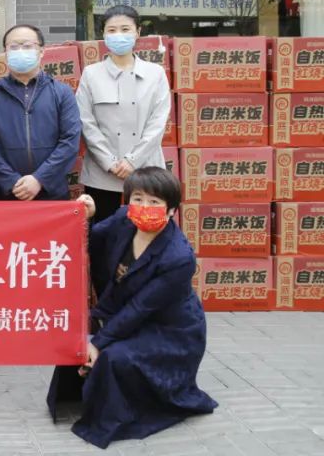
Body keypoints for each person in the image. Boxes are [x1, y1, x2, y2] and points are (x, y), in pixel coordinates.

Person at [48, 167, 217, 449]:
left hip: (168, 329)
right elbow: (95, 237)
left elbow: (140, 309)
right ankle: (76, 396)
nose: (144, 207)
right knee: (74, 331)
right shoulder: (123, 219)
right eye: (138, 198)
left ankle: (115, 415)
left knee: (114, 356)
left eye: (154, 202)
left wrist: (98, 343)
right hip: (122, 309)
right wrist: (87, 215)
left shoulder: (178, 257)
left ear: (171, 210)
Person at [77, 6, 171, 222]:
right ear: (103, 34)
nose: (118, 35)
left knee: (146, 229)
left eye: (125, 29)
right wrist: (109, 162)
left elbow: (158, 123)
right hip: (102, 173)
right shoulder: (91, 74)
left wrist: (133, 161)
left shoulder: (155, 74)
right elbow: (86, 122)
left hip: (146, 170)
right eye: (112, 30)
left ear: (138, 32)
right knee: (101, 231)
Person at [0, 24, 81, 201]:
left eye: (27, 46)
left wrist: (39, 179)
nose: (20, 51)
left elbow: (70, 141)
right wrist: (11, 181)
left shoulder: (62, 92)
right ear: (5, 53)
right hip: (7, 193)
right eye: (13, 47)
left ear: (41, 51)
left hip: (52, 192)